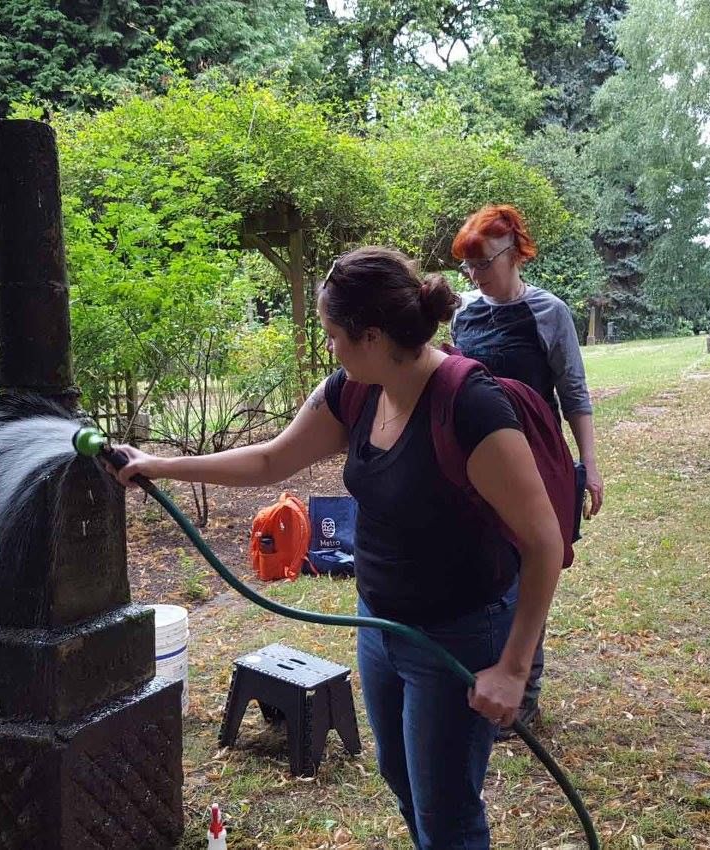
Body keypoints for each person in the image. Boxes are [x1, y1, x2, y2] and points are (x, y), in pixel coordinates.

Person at [106, 246, 564, 850]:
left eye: (332, 335)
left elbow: (544, 543)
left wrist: (511, 668)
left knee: (447, 813)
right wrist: (160, 465)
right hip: (379, 623)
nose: (330, 350)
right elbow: (272, 457)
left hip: (456, 635)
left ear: (370, 336)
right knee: (401, 779)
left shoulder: (468, 406)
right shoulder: (356, 391)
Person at [450, 204, 603, 738]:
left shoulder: (549, 313)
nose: (475, 278)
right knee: (485, 565)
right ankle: (485, 673)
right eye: (467, 269)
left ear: (513, 253)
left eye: (483, 265)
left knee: (529, 562)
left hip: (537, 457)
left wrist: (590, 465)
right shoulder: (462, 313)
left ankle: (524, 695)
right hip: (476, 460)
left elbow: (574, 393)